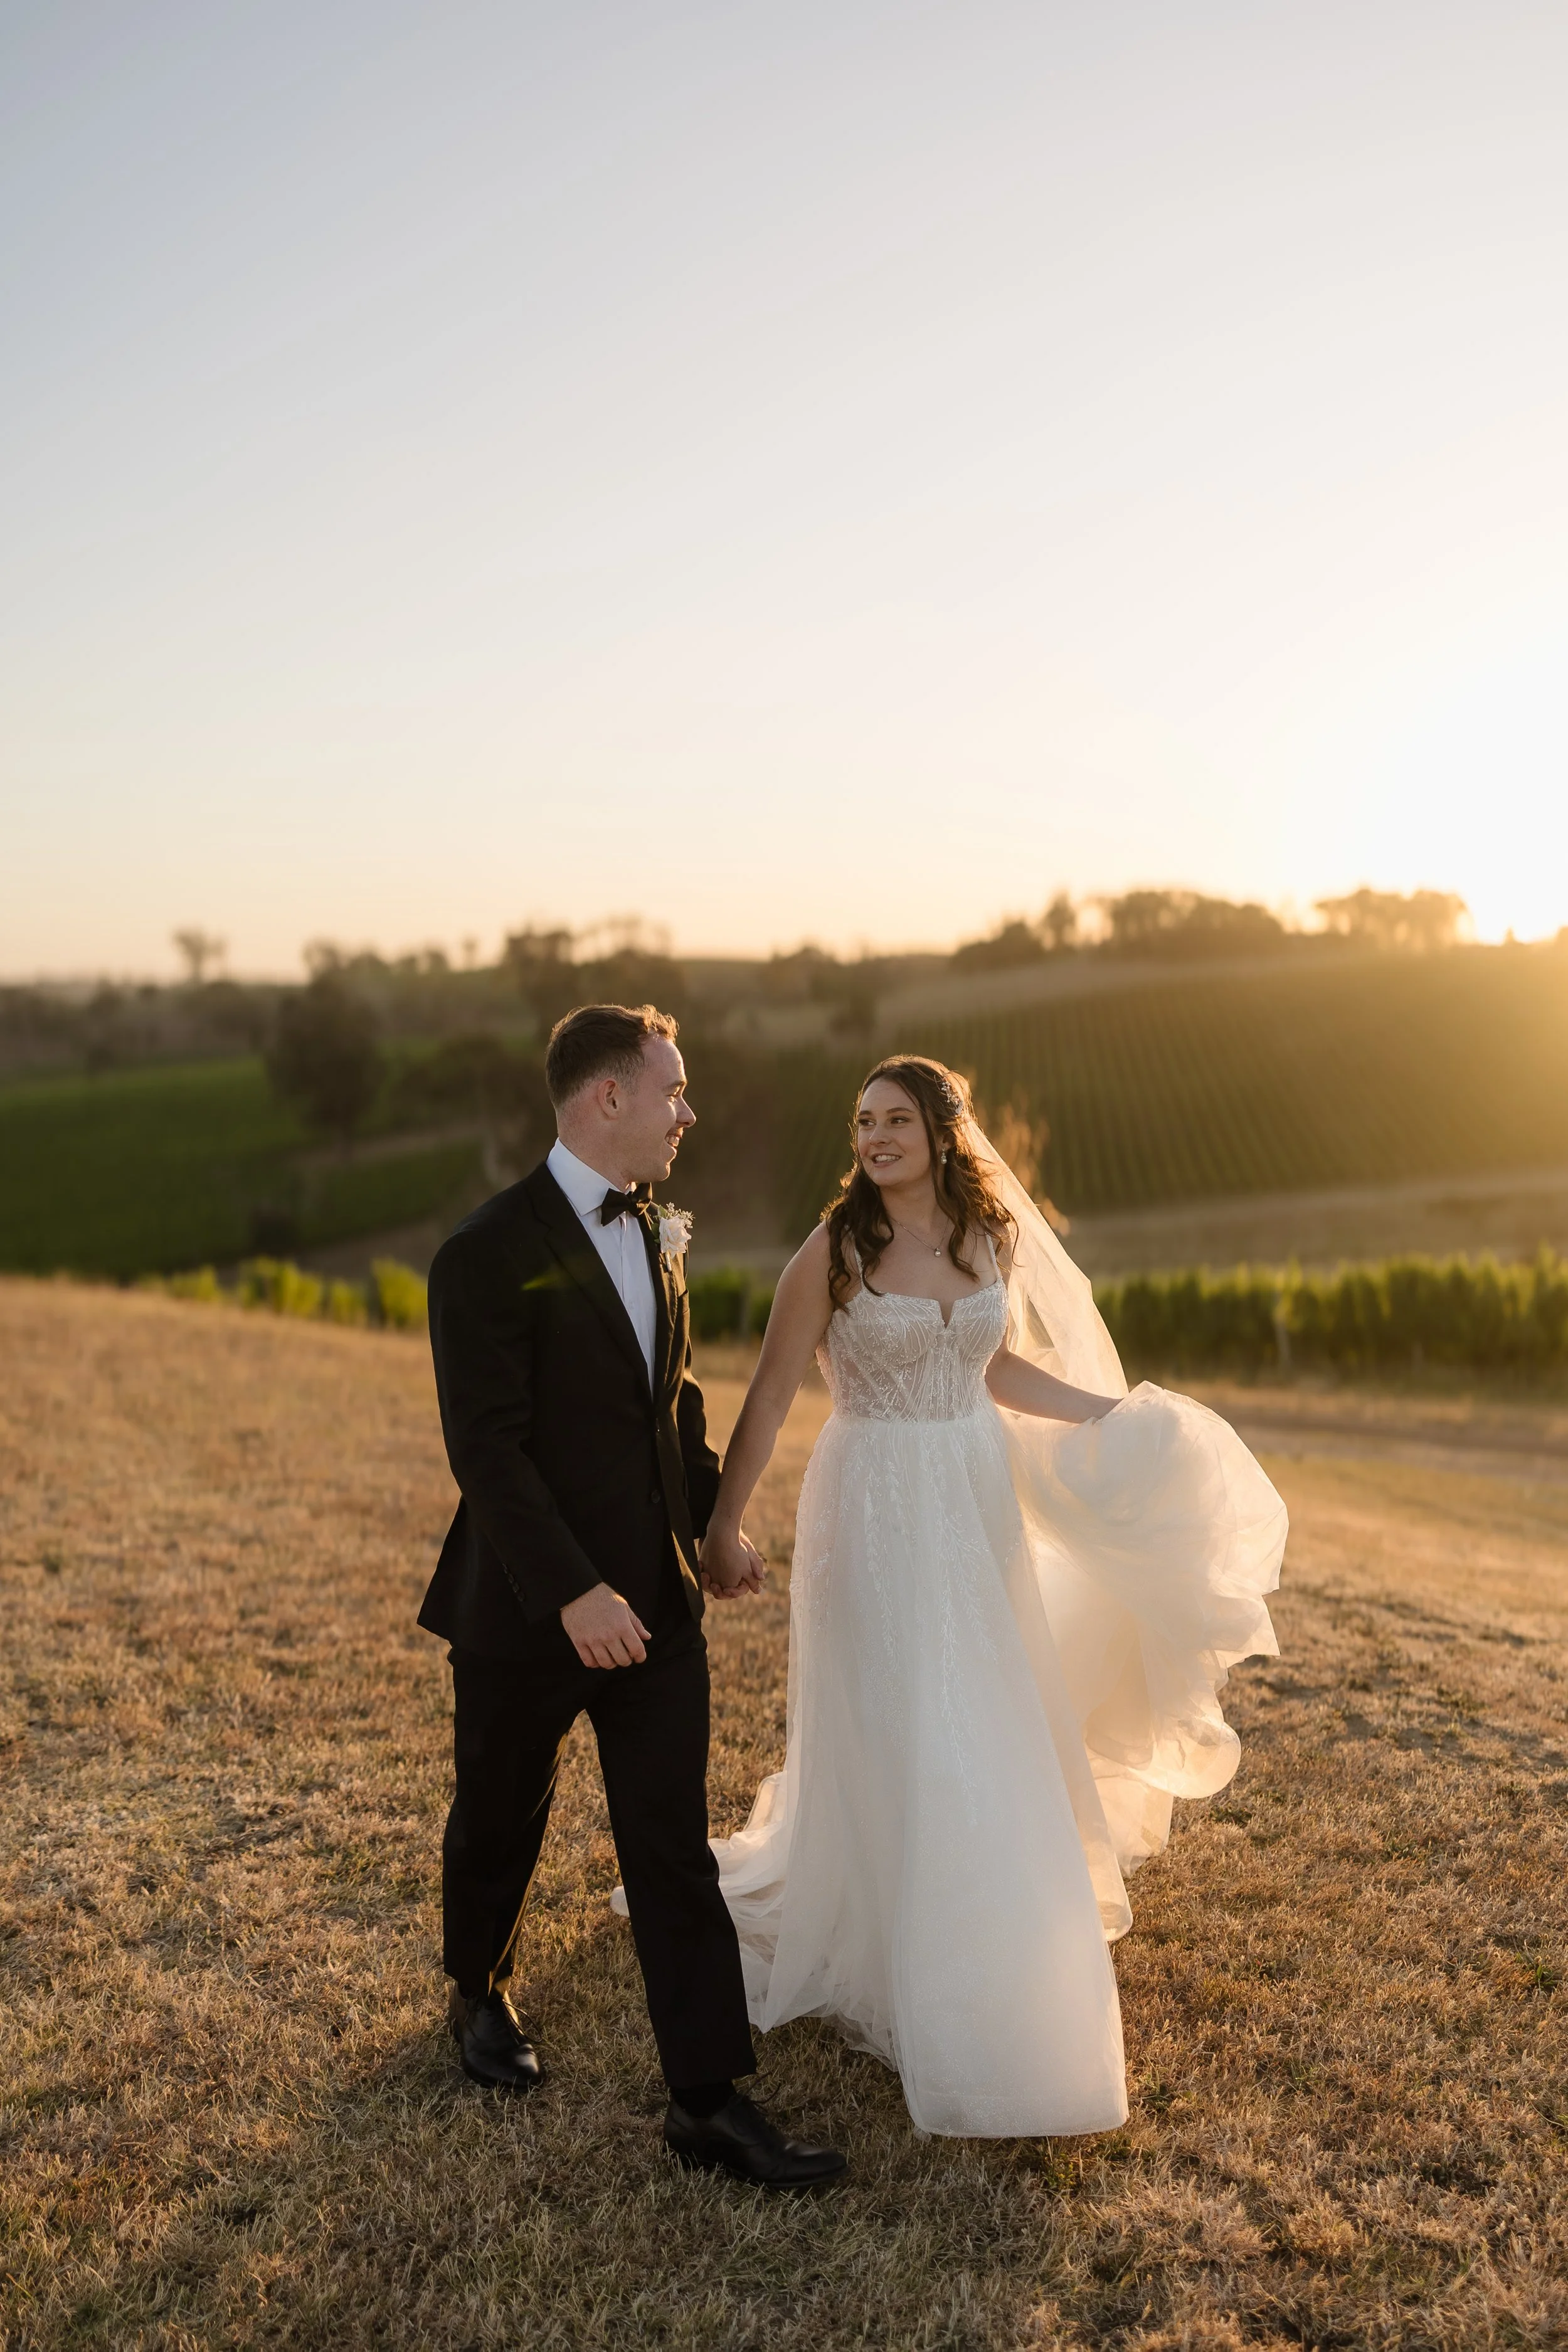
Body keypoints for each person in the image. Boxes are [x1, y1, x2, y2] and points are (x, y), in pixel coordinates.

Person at [696, 1055, 1287, 2137]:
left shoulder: (987, 1240)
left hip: (972, 1491)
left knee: (981, 1709)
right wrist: (725, 1522)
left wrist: (1105, 1413)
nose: (876, 1137)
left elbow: (995, 1371)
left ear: (940, 1131)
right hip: (870, 1495)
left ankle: (990, 1932)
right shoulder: (833, 1252)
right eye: (863, 1121)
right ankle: (890, 1934)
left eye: (896, 1120)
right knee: (899, 1716)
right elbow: (775, 1394)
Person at [418, 1000, 845, 2187]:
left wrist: (711, 1521)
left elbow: (674, 1401)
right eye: (672, 1089)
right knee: (499, 1814)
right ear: (607, 1096)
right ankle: (476, 1990)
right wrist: (573, 1593)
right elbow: (488, 1452)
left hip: (659, 1605)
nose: (686, 1111)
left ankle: (708, 2100)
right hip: (526, 1609)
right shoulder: (483, 1253)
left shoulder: (658, 1230)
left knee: (671, 1848)